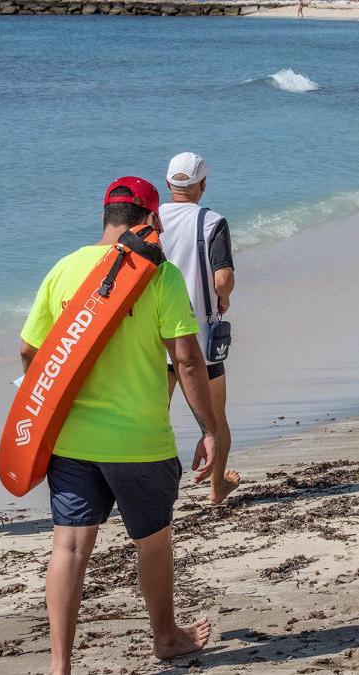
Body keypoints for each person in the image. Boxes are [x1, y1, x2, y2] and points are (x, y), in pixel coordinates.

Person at [19, 177, 221, 674]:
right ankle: (166, 639)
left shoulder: (64, 270)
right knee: (152, 542)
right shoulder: (161, 276)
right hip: (139, 443)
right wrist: (210, 429)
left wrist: (47, 409)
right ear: (150, 221)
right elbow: (188, 362)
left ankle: (60, 666)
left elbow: (30, 353)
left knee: (68, 546)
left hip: (72, 441)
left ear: (106, 215)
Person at [159, 152, 240, 505]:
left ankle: (153, 492)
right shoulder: (212, 222)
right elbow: (222, 278)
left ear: (168, 185)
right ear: (203, 184)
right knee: (215, 418)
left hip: (154, 338)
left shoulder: (151, 219)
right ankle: (217, 487)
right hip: (199, 339)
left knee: (152, 418)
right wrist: (223, 300)